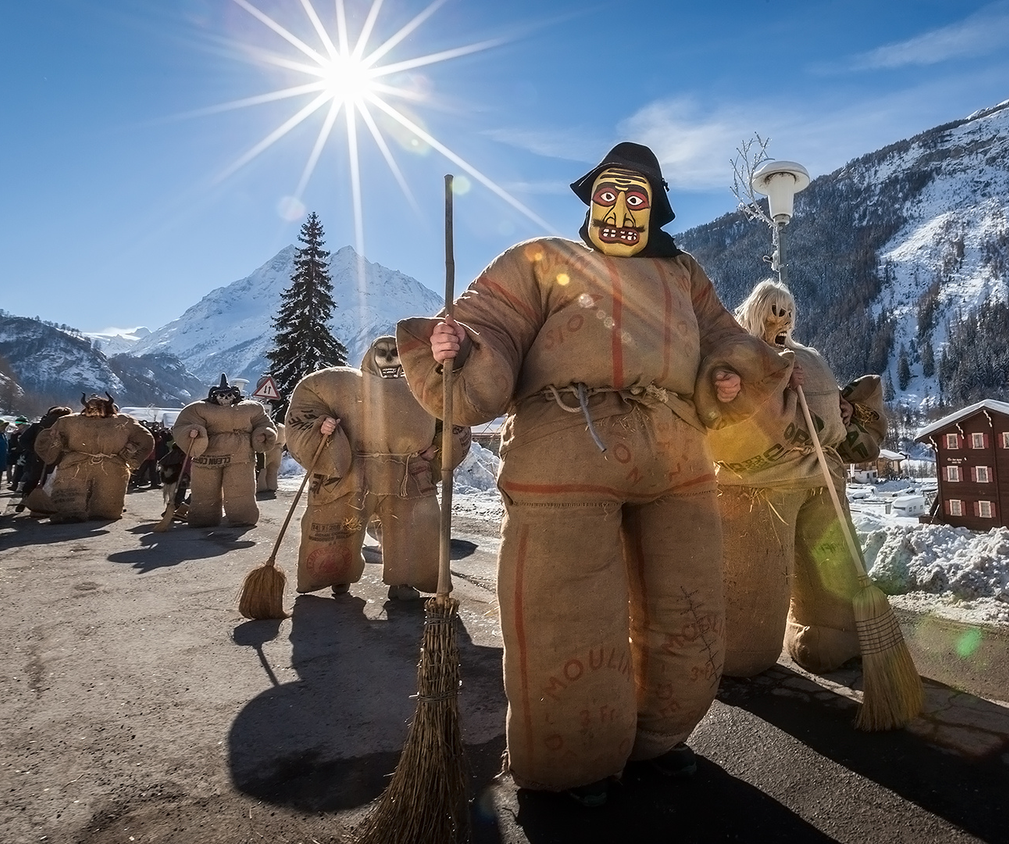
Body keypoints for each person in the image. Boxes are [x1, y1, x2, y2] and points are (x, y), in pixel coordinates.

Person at [397, 142, 791, 805]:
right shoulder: (541, 260)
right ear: (590, 201)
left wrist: (729, 369)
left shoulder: (684, 274)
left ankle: (659, 739)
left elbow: (726, 335)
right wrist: (459, 345)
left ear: (654, 209)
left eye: (634, 199)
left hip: (676, 452)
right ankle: (574, 757)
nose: (618, 210)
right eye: (607, 195)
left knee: (690, 606)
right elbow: (487, 322)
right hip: (565, 447)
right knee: (568, 608)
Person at [707, 279, 888, 677]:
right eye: (774, 310)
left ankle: (830, 630)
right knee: (756, 578)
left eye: (787, 311)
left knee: (830, 565)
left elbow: (828, 402)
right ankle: (740, 646)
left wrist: (841, 407)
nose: (782, 318)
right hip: (758, 486)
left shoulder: (807, 357)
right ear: (757, 310)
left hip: (821, 478)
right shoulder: (738, 352)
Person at [285, 335, 468, 600]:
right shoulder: (340, 384)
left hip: (406, 472)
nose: (391, 358)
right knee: (339, 523)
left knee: (412, 527)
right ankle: (336, 574)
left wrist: (438, 447)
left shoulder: (425, 387)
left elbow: (453, 418)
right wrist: (321, 427)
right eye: (383, 352)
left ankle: (405, 580)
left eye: (396, 352)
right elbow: (307, 405)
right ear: (371, 355)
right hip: (353, 471)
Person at [172, 375, 278, 527]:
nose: (226, 399)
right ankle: (203, 518)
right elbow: (183, 425)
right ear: (215, 395)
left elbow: (264, 423)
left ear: (234, 395)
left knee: (241, 490)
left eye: (229, 395)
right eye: (222, 395)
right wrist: (192, 432)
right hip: (208, 456)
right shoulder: (197, 409)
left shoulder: (251, 408)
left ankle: (242, 517)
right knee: (205, 491)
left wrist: (261, 434)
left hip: (240, 456)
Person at [32, 393, 155, 522]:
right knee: (70, 498)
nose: (96, 410)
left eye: (99, 407)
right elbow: (47, 438)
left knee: (107, 503)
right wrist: (56, 445)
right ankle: (70, 512)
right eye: (92, 407)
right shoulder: (68, 421)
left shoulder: (124, 421)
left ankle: (99, 512)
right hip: (78, 464)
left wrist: (131, 455)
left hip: (108, 464)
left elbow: (145, 440)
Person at [16, 406, 73, 514]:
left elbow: (23, 440)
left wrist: (36, 449)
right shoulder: (66, 427)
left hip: (37, 458)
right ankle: (45, 505)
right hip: (57, 458)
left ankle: (26, 497)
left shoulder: (38, 426)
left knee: (34, 478)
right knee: (51, 480)